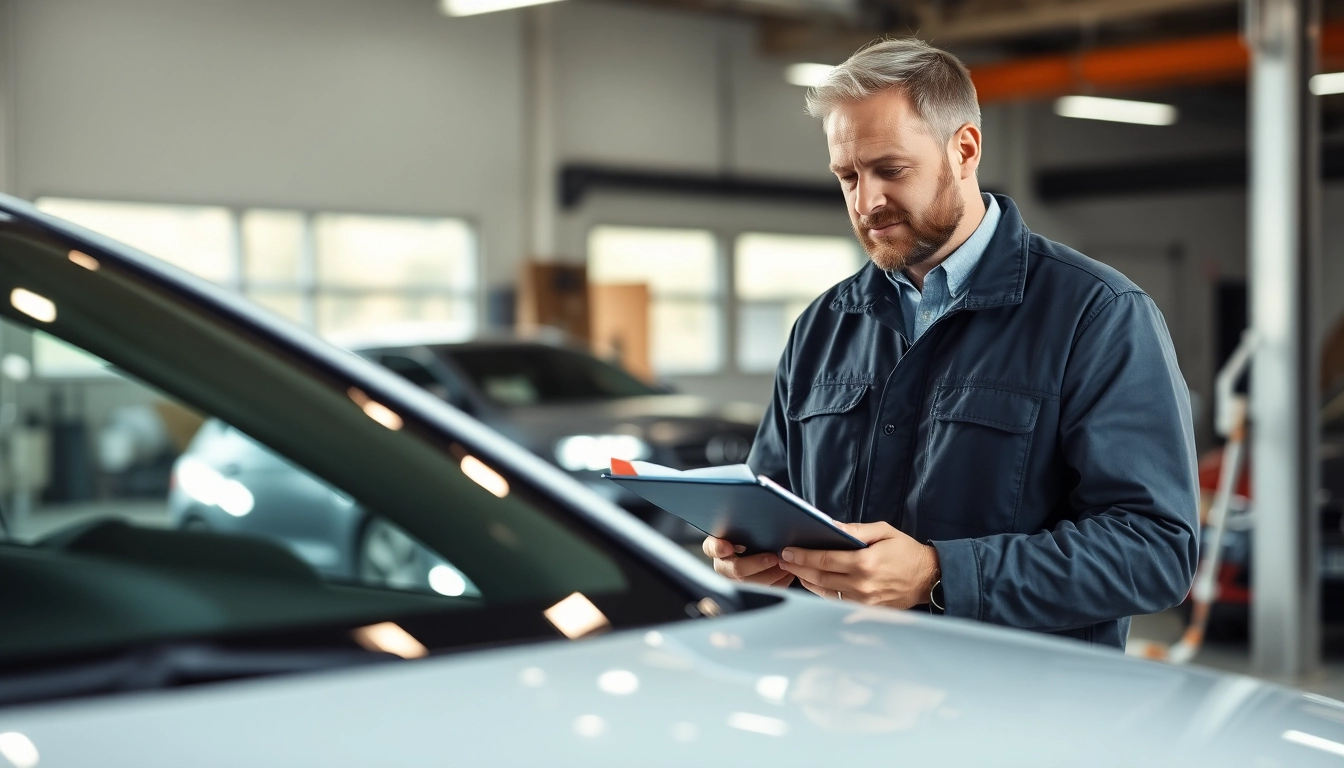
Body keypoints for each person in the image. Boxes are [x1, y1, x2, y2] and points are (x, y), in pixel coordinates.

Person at [703, 38, 1199, 649]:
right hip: (844, 696)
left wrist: (940, 574)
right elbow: (769, 501)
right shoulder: (823, 326)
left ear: (963, 149)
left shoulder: (1097, 316)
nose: (866, 202)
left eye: (890, 170)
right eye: (847, 176)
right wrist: (747, 558)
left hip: (1017, 716)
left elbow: (1155, 553)